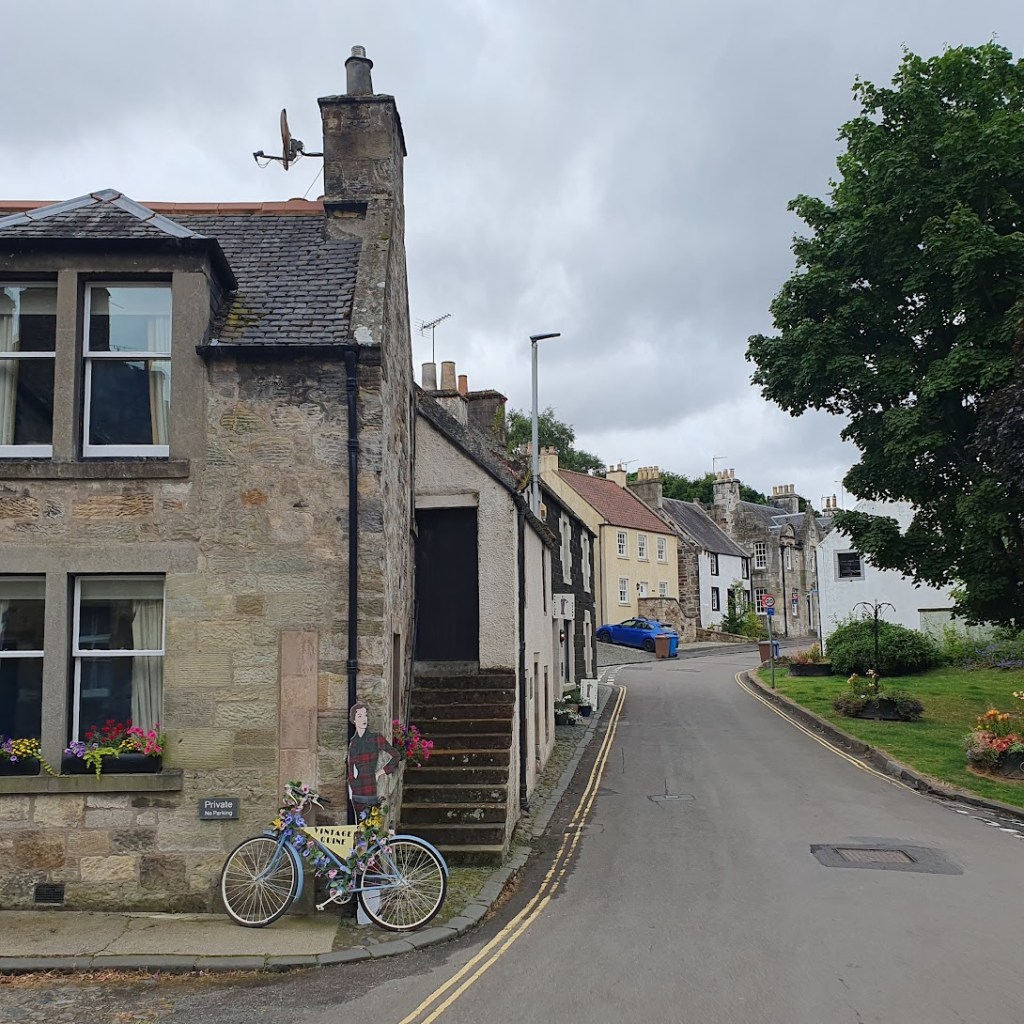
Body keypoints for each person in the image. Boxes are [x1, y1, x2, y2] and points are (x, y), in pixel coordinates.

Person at [347, 702, 401, 814]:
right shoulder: (353, 742)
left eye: (365, 715)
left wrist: (380, 772)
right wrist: (352, 787)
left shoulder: (375, 738)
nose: (364, 719)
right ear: (354, 719)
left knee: (372, 826)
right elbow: (351, 769)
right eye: (360, 716)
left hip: (371, 788)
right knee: (359, 827)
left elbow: (396, 756)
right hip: (356, 792)